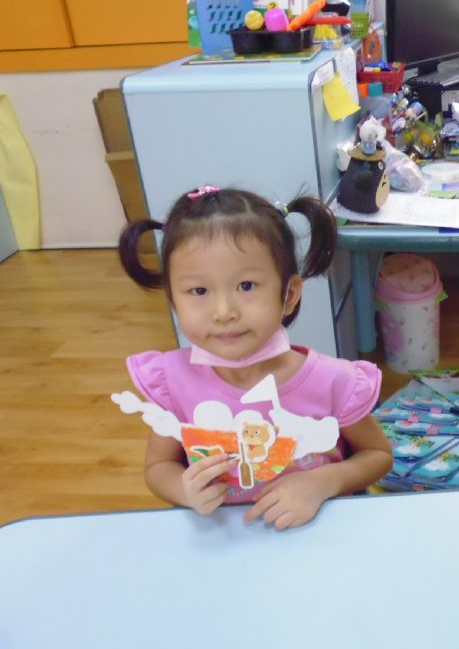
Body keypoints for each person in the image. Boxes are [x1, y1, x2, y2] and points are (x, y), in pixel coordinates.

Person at [118, 186, 392, 529]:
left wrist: (323, 482)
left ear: (289, 295)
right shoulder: (172, 381)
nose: (223, 312)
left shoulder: (334, 381)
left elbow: (378, 455)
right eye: (199, 291)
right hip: (225, 542)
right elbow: (159, 468)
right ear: (174, 300)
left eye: (246, 286)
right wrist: (184, 490)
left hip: (319, 536)